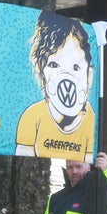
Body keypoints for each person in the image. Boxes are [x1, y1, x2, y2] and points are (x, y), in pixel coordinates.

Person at [15, 12, 97, 162]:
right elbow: (23, 159)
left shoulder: (91, 118)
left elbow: (85, 165)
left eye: (76, 67)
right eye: (54, 65)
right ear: (41, 73)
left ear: (89, 76)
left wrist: (103, 168)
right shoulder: (32, 117)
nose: (65, 77)